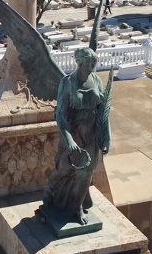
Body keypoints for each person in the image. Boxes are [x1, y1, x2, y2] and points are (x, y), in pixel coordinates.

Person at [43, 48, 111, 225]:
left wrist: (107, 136)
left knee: (87, 172)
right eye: (89, 62)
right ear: (80, 63)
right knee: (64, 169)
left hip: (92, 134)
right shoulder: (67, 83)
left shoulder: (96, 80)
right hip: (73, 132)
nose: (93, 65)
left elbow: (103, 111)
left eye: (94, 62)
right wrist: (70, 140)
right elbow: (60, 115)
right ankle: (50, 191)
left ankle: (77, 206)